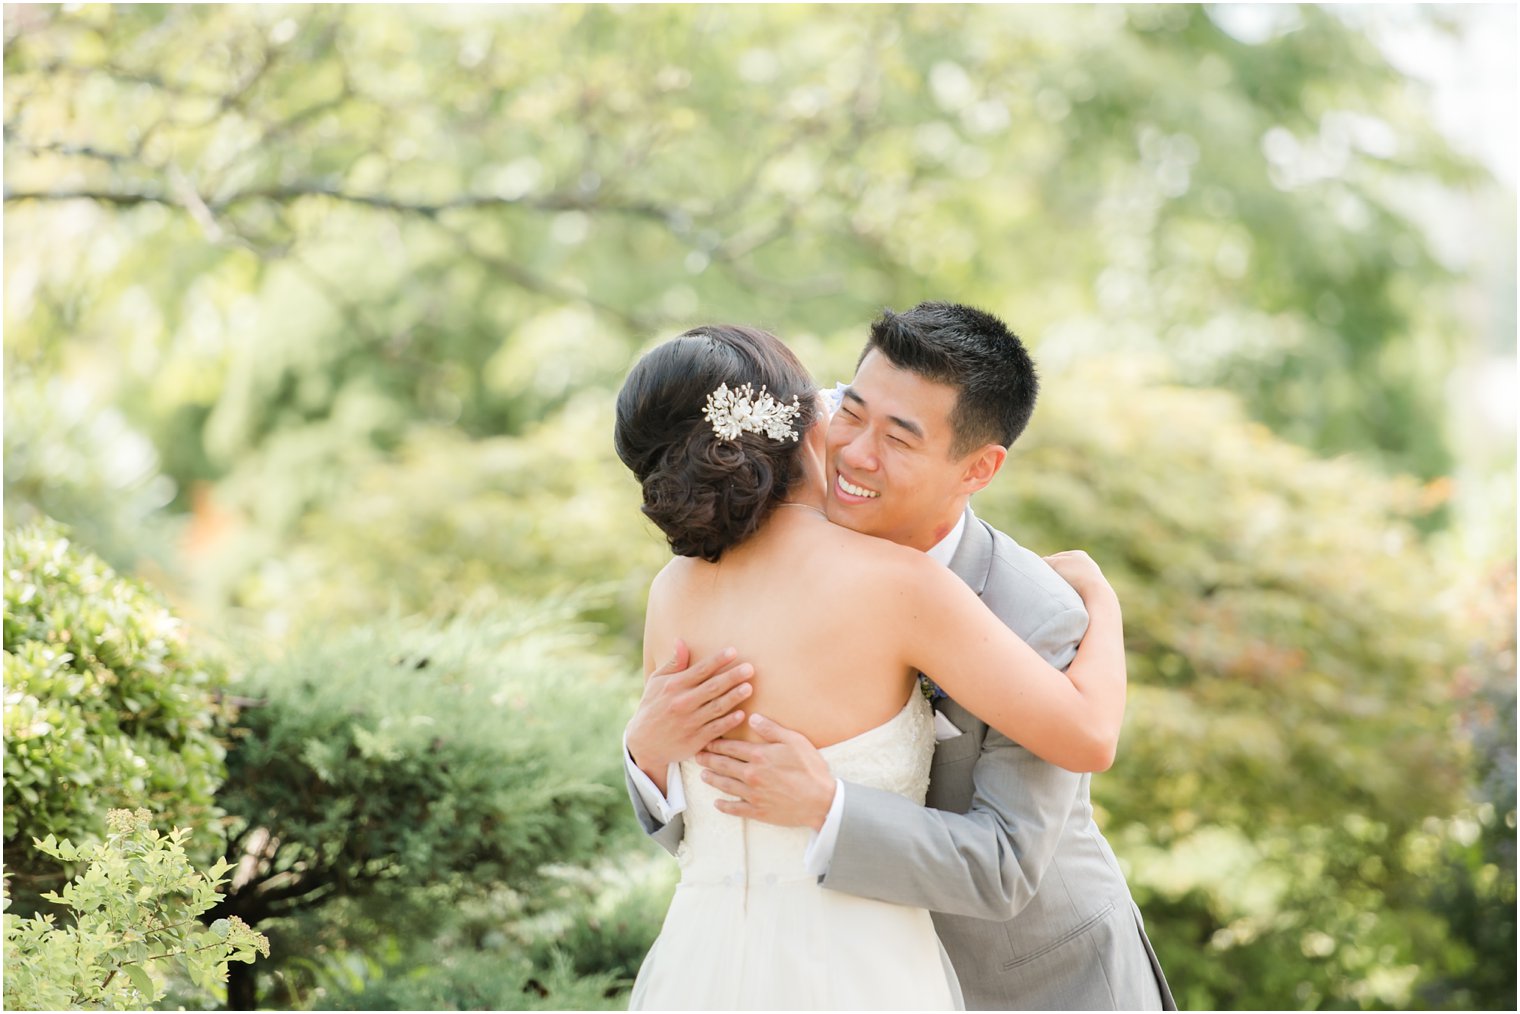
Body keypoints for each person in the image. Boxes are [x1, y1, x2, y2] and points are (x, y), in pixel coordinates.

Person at [624, 303, 1175, 1010]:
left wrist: (828, 805)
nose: (854, 453)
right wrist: (647, 754)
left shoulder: (1033, 610)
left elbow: (1007, 863)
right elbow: (724, 832)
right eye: (849, 411)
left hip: (1036, 982)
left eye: (901, 439)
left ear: (978, 468)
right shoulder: (774, 521)